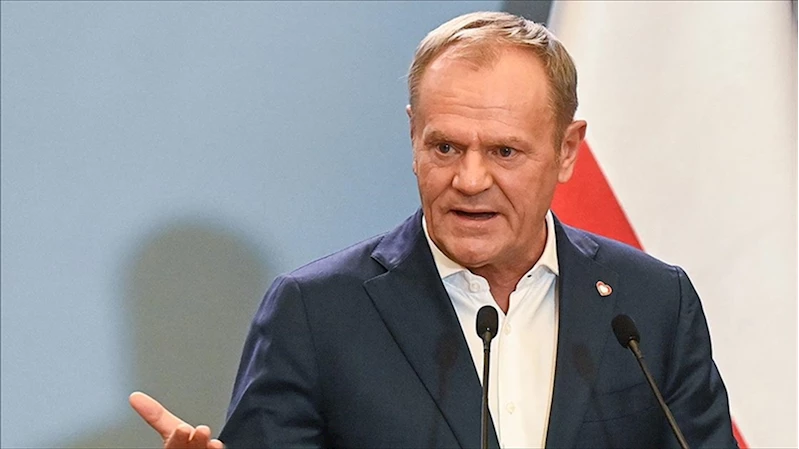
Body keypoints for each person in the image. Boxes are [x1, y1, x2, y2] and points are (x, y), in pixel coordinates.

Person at [131, 11, 737, 448]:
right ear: (413, 137)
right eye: (445, 147)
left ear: (566, 151)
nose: (469, 180)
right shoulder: (317, 313)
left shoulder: (651, 305)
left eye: (504, 151)